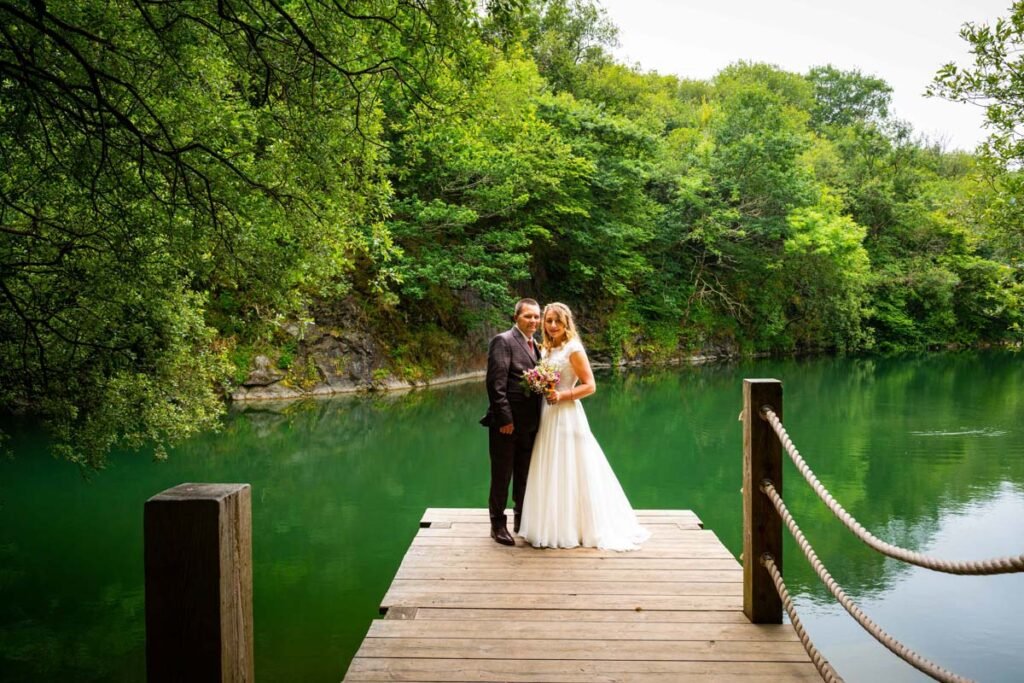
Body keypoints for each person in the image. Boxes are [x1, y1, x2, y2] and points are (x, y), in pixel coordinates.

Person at [519, 302, 650, 550]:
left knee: (570, 466)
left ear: (566, 322)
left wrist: (562, 396)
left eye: (558, 320)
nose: (553, 325)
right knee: (550, 466)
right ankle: (550, 525)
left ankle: (576, 527)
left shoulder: (573, 348)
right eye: (548, 321)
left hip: (567, 414)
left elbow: (590, 385)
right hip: (548, 414)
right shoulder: (545, 348)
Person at [480, 298, 543, 546]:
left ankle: (520, 519)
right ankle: (497, 525)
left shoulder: (534, 346)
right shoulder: (503, 341)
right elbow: (496, 384)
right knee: (502, 475)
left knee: (524, 474)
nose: (534, 321)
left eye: (536, 317)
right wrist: (505, 418)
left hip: (530, 424)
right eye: (528, 316)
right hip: (506, 425)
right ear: (516, 317)